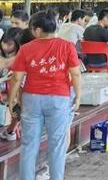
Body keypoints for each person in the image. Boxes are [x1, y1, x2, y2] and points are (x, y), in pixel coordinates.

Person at [7, 11, 82, 180]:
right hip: (59, 99)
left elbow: (16, 78)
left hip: (32, 99)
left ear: (37, 30)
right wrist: (78, 95)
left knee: (29, 145)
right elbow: (75, 74)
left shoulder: (26, 48)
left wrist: (11, 101)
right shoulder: (67, 46)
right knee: (57, 146)